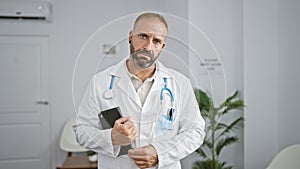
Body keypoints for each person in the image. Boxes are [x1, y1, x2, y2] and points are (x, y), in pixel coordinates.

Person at [74, 12, 205, 169]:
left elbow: (195, 132)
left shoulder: (180, 83)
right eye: (143, 36)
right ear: (130, 36)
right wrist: (112, 138)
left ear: (162, 46)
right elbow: (82, 131)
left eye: (156, 41)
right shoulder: (100, 82)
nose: (148, 47)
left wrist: (160, 154)